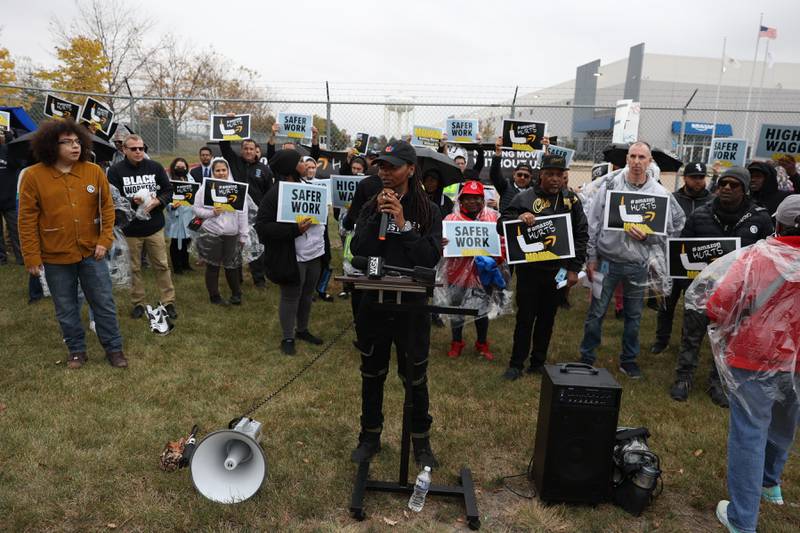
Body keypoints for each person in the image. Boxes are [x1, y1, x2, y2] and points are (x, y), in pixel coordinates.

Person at [705, 195, 800, 533]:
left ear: (778, 224)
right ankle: (770, 484)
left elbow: (718, 304)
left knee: (750, 432)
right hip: (797, 363)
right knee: (785, 424)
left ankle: (742, 520)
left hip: (753, 357)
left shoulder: (758, 257)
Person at [348, 140, 443, 469]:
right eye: (381, 166)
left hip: (412, 307)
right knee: (372, 373)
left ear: (411, 169)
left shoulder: (428, 209)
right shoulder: (370, 203)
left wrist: (403, 225)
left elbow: (430, 258)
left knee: (415, 376)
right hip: (373, 301)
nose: (384, 172)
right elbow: (357, 250)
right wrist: (378, 216)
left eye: (392, 166)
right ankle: (369, 436)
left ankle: (421, 442)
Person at [17, 119, 126, 369]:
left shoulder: (94, 171)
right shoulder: (33, 176)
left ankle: (114, 348)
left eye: (77, 141)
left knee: (104, 303)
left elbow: (108, 209)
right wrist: (32, 256)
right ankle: (76, 350)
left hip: (92, 252)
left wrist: (104, 240)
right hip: (55, 256)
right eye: (66, 142)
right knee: (66, 307)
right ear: (50, 146)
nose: (74, 147)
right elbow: (26, 220)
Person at [579, 142, 685, 379]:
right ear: (627, 159)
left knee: (634, 316)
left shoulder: (658, 194)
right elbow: (593, 222)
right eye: (633, 156)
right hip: (606, 261)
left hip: (637, 266)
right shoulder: (609, 185)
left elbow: (671, 230)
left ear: (650, 162)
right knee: (596, 312)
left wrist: (649, 236)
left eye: (642, 157)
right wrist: (592, 257)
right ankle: (587, 357)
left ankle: (629, 360)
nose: (637, 161)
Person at [669, 166, 773, 404]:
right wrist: (689, 281)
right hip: (702, 288)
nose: (726, 188)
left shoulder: (760, 218)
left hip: (738, 292)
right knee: (691, 336)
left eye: (733, 185)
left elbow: (768, 254)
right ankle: (683, 378)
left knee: (727, 338)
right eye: (723, 183)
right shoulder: (700, 215)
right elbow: (682, 249)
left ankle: (718, 382)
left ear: (744, 189)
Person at [498, 154, 588, 379]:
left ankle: (538, 362)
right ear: (541, 175)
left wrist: (574, 269)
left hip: (558, 271)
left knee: (548, 317)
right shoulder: (525, 197)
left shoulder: (571, 200)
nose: (555, 179)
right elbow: (502, 225)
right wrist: (520, 216)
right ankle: (516, 364)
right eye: (550, 174)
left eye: (560, 175)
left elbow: (581, 234)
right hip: (530, 270)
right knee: (525, 317)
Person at [255, 149, 324, 355]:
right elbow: (262, 227)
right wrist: (294, 230)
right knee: (291, 296)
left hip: (314, 252)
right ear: (290, 168)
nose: (305, 165)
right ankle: (288, 336)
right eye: (300, 162)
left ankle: (302, 329)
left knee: (307, 294)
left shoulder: (307, 186)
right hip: (292, 256)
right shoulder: (275, 194)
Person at [107, 134, 177, 320]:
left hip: (154, 226)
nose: (139, 151)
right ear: (124, 150)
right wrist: (131, 200)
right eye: (134, 149)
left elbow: (168, 189)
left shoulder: (154, 167)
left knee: (162, 265)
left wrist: (157, 201)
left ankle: (168, 301)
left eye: (141, 148)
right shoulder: (115, 171)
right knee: (134, 268)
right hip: (130, 229)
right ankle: (138, 303)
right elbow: (112, 198)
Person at [650, 161, 714, 354]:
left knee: (694, 305)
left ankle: (689, 342)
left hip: (700, 261)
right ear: (685, 178)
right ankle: (661, 340)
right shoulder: (671, 199)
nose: (698, 181)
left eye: (701, 178)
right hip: (673, 258)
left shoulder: (713, 201)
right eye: (694, 177)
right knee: (667, 303)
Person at [442, 180, 505, 360]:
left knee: (482, 308)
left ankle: (482, 342)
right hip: (457, 272)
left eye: (477, 198)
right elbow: (441, 245)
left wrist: (497, 258)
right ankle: (456, 341)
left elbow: (502, 243)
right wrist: (443, 244)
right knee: (456, 307)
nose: (473, 202)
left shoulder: (493, 218)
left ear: (483, 200)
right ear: (461, 200)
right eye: (468, 198)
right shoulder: (451, 220)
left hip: (483, 273)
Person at [219, 136, 273, 288]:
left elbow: (269, 194)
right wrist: (228, 127)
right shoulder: (234, 162)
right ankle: (237, 278)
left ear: (256, 151)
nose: (248, 151)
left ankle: (259, 279)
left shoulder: (264, 170)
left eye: (251, 149)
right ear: (241, 150)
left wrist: (265, 213)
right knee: (236, 246)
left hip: (257, 216)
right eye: (245, 149)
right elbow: (224, 146)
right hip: (235, 213)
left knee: (256, 246)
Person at [192, 158, 248, 305]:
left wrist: (243, 235)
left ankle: (236, 294)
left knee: (232, 265)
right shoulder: (205, 188)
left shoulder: (236, 188)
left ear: (228, 170)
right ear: (213, 172)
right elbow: (196, 209)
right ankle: (214, 296)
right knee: (212, 265)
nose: (221, 173)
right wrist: (212, 213)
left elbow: (243, 213)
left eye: (224, 170)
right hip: (212, 233)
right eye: (218, 170)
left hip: (231, 233)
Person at [165, 157, 196, 275]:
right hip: (176, 215)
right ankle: (177, 267)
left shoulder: (190, 178)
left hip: (189, 214)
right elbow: (166, 196)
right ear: (173, 168)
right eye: (178, 167)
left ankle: (185, 264)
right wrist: (172, 206)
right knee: (177, 242)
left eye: (183, 167)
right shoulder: (169, 180)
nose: (181, 169)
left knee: (187, 240)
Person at [490, 136, 533, 212]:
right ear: (514, 175)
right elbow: (494, 174)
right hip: (507, 221)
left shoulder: (534, 191)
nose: (522, 177)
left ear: (530, 178)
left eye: (526, 176)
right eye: (519, 175)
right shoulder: (505, 186)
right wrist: (498, 152)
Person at [0, 128, 23, 265]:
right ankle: (1, 259)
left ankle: (22, 258)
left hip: (9, 200)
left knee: (16, 230)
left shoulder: (9, 149)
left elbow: (18, 163)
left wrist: (11, 141)